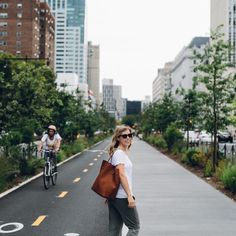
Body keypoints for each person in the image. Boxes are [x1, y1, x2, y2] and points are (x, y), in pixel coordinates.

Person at [108, 125, 140, 236]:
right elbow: (121, 174)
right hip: (122, 196)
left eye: (130, 135)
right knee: (134, 227)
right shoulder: (120, 154)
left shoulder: (118, 153)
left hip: (114, 196)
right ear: (118, 138)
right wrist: (129, 196)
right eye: (124, 136)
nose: (128, 138)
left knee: (115, 230)